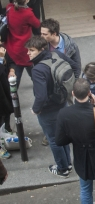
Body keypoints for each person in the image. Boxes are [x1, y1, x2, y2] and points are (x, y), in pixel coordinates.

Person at [27, 35, 75, 177]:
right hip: (63, 103)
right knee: (63, 135)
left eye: (31, 50)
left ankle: (62, 169)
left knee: (53, 139)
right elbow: (75, 66)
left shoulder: (38, 70)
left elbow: (41, 96)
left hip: (49, 110)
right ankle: (68, 164)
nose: (28, 53)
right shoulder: (56, 54)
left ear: (41, 50)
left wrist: (36, 110)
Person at [5, 0, 40, 86]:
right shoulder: (28, 13)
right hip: (24, 48)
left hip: (12, 47)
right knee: (33, 71)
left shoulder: (9, 8)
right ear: (27, 0)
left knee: (16, 74)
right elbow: (37, 24)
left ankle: (13, 96)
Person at [0, 46, 13, 159]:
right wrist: (0, 59)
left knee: (5, 113)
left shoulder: (2, 50)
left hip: (4, 90)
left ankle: (6, 133)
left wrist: (12, 70)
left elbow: (11, 62)